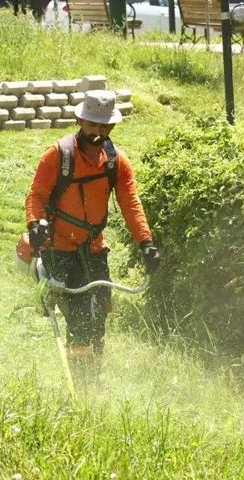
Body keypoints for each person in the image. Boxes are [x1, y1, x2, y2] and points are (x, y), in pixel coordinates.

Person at [25, 90, 160, 385]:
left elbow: (131, 203)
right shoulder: (57, 156)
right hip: (59, 249)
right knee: (80, 319)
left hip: (95, 251)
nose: (98, 133)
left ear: (111, 126)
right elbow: (36, 195)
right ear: (80, 120)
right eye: (92, 125)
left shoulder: (116, 163)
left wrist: (146, 243)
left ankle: (91, 376)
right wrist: (35, 224)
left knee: (98, 318)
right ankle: (81, 382)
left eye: (104, 126)